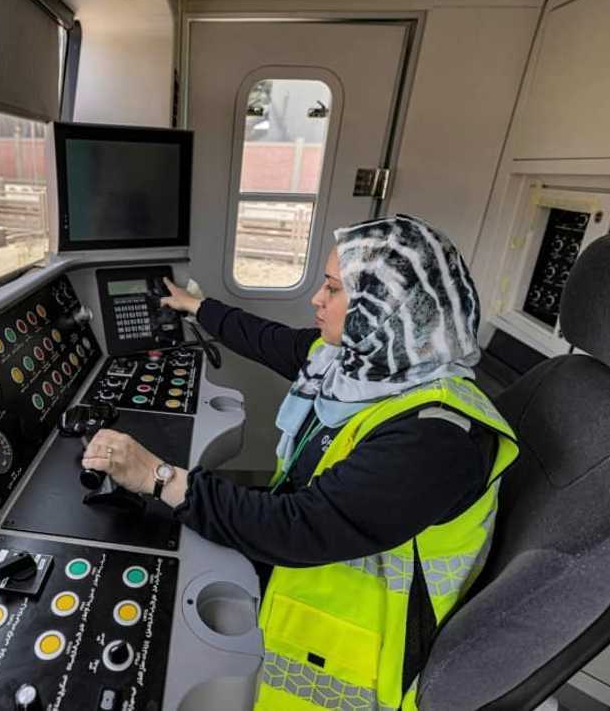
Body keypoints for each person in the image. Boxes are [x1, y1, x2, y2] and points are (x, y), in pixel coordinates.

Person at [81, 215, 519, 710]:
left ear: (386, 309)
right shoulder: (363, 364)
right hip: (302, 579)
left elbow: (298, 528)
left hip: (348, 660)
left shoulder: (436, 437)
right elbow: (276, 342)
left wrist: (157, 477)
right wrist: (199, 307)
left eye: (332, 288)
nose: (317, 299)